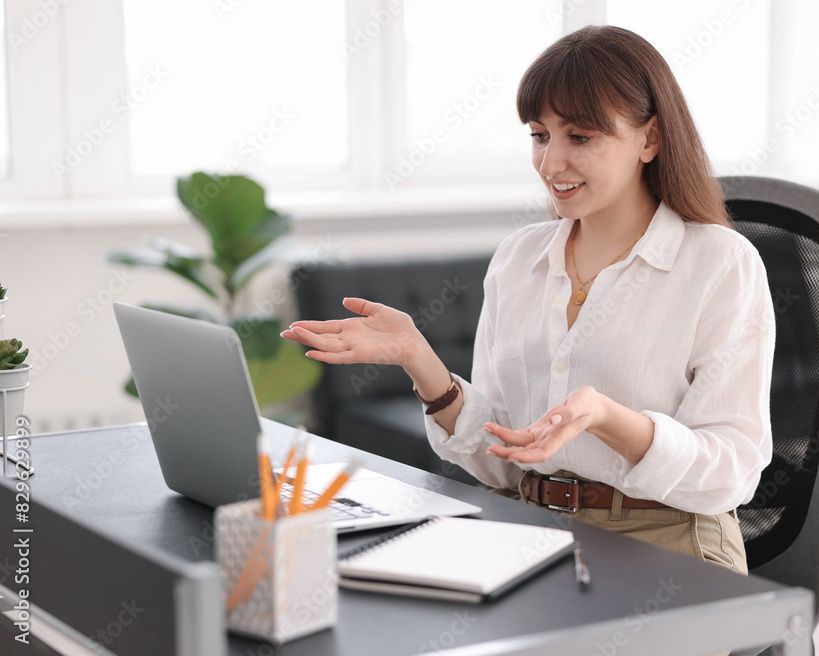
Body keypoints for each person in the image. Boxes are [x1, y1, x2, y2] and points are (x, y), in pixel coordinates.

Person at [281, 25, 775, 577]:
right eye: (540, 136)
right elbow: (500, 463)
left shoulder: (719, 264)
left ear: (650, 139)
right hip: (531, 530)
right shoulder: (519, 259)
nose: (550, 164)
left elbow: (732, 471)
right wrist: (417, 359)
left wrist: (609, 419)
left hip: (669, 542)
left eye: (580, 138)